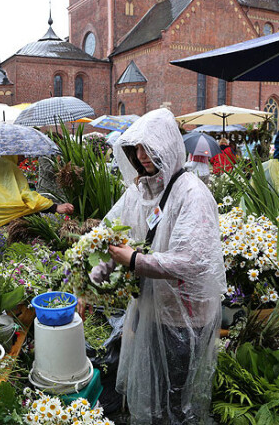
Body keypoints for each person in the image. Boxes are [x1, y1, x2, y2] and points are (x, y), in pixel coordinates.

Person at [90, 109, 226, 424]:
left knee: (178, 397)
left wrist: (135, 260)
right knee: (153, 388)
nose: (141, 156)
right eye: (135, 149)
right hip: (150, 311)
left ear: (166, 144)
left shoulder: (191, 193)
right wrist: (92, 278)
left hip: (185, 316)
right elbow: (109, 233)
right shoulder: (140, 192)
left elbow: (192, 259)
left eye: (147, 147)